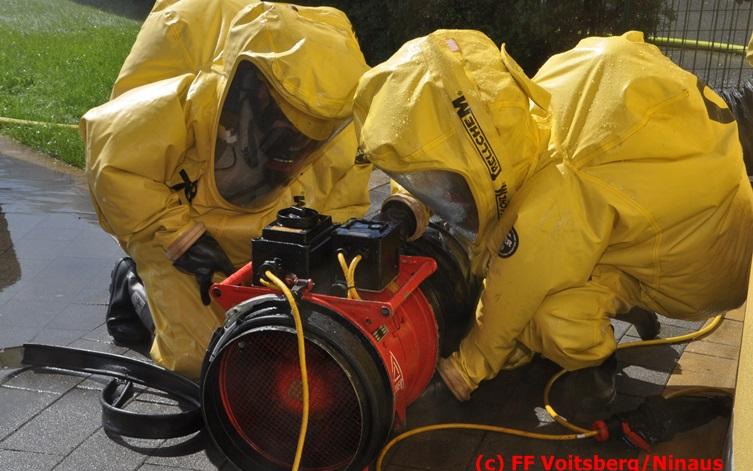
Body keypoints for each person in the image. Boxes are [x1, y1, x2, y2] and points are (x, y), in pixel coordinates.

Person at [353, 30, 753, 405]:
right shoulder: (544, 94)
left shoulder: (562, 185)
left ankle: (595, 375)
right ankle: (616, 291)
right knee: (560, 247)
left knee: (541, 315)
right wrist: (412, 199)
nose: (444, 196)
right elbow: (450, 138)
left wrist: (463, 371)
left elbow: (509, 296)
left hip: (704, 271)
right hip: (700, 215)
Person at [81, 0, 372, 378]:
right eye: (283, 126)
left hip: (259, 224)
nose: (291, 144)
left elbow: (344, 197)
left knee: (271, 342)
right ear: (256, 92)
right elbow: (113, 162)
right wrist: (181, 238)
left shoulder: (334, 111)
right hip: (177, 220)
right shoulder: (192, 96)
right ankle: (133, 284)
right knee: (205, 360)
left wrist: (318, 252)